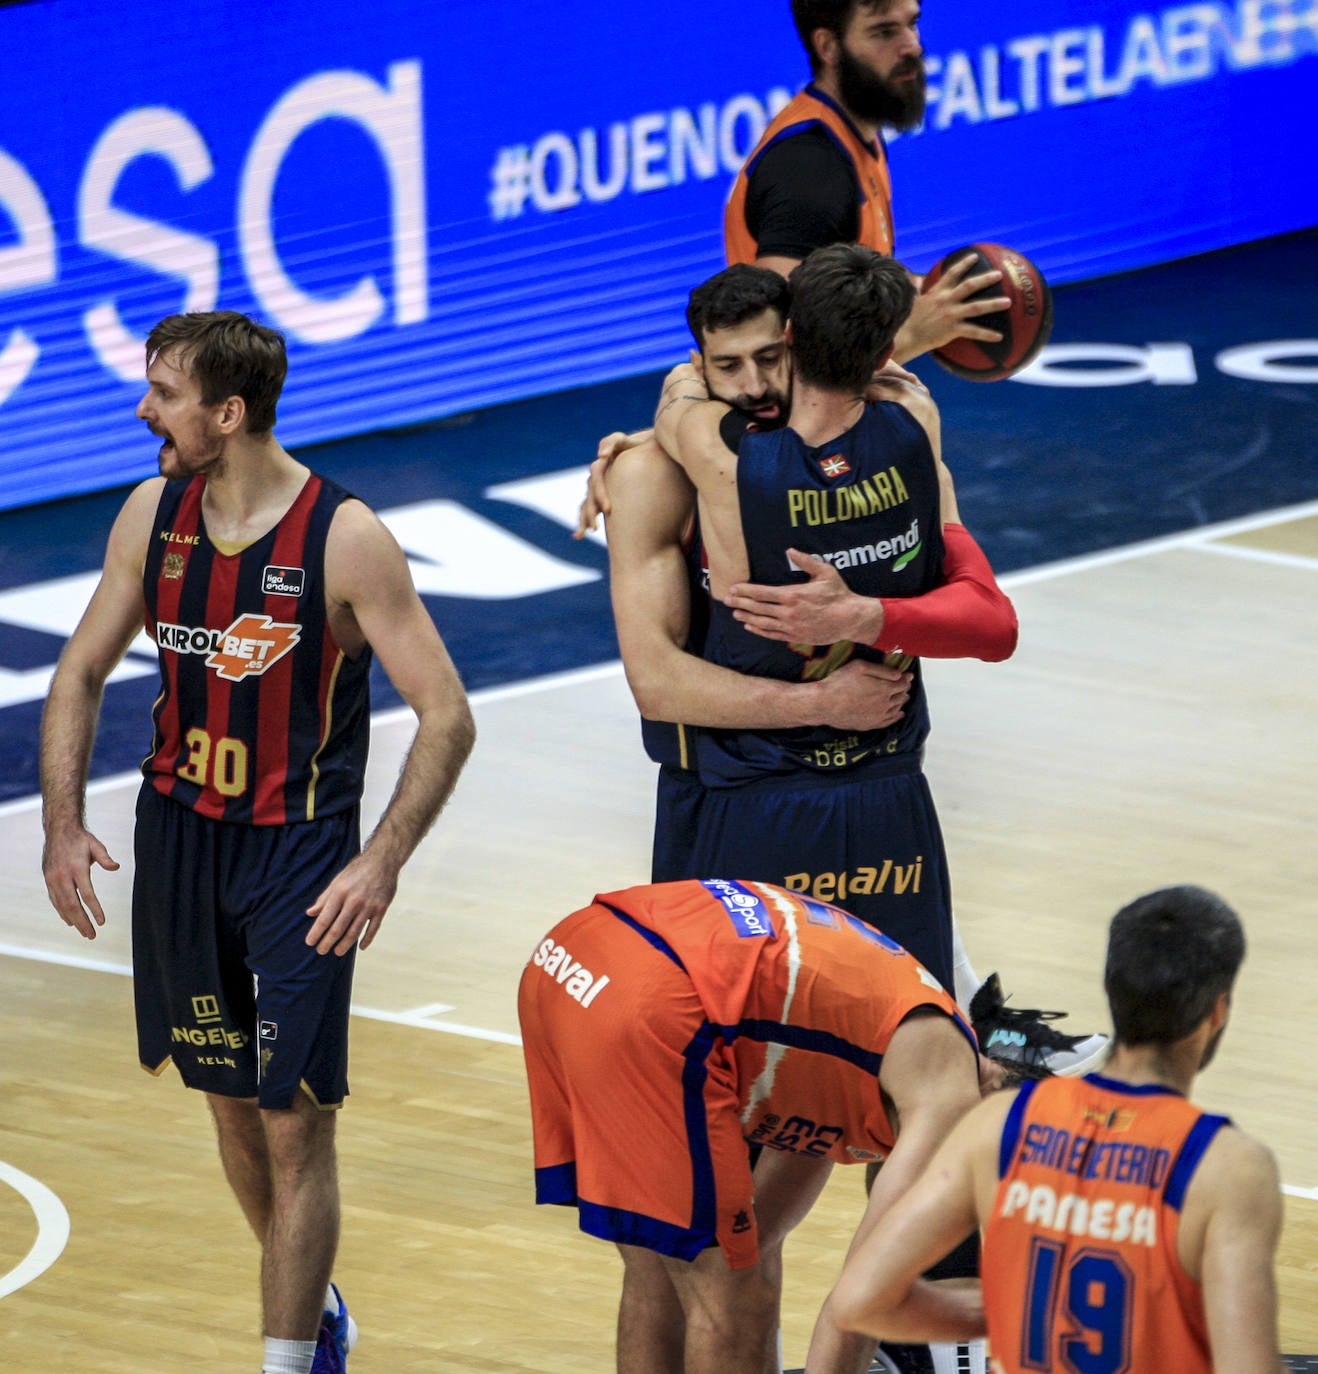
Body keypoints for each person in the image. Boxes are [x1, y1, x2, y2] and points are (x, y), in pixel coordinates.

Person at [40, 312, 476, 1374]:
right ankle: (314, 1309)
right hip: (179, 845)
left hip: (298, 859)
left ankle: (289, 1359)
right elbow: (80, 671)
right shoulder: (152, 514)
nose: (143, 410)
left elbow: (448, 715)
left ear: (227, 414)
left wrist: (379, 862)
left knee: (295, 1121)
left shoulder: (345, 538)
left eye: (165, 395)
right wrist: (61, 824)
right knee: (232, 1109)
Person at [586, 262, 1107, 1079]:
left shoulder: (716, 450)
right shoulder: (901, 421)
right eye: (727, 366)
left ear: (796, 344)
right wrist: (827, 696)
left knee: (919, 1076)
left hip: (881, 779)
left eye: (769, 359)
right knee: (763, 1087)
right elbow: (658, 685)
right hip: (742, 796)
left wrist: (861, 621)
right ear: (700, 362)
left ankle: (975, 1033)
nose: (753, 384)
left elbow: (695, 410)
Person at [517, 876, 996, 1374]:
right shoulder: (952, 1095)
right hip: (652, 994)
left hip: (570, 960)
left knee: (663, 1267)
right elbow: (860, 1304)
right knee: (735, 1299)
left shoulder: (882, 1050)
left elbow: (766, 1227)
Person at [825, 885, 1284, 1374]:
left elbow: (860, 1299)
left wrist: (1018, 1308)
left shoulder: (998, 1126)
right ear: (1217, 1010)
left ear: (1110, 988)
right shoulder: (1227, 1168)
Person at [725, 0, 1010, 362]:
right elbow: (778, 353)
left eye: (912, 24)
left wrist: (928, 291)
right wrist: (915, 333)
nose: (912, 47)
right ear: (828, 47)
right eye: (884, 32)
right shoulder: (811, 170)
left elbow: (855, 266)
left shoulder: (855, 130)